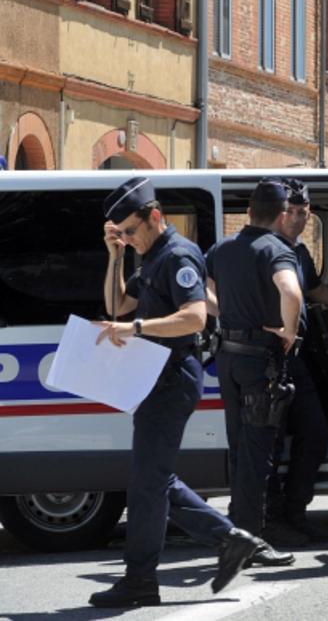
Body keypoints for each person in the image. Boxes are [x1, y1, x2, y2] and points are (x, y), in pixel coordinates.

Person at [89, 177, 260, 608]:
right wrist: (116, 257)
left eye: (131, 230)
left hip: (172, 377)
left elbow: (195, 317)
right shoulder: (148, 256)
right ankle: (229, 539)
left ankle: (141, 580)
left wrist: (137, 328)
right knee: (154, 478)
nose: (128, 238)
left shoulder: (178, 254)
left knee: (147, 483)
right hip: (154, 376)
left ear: (156, 216)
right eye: (121, 233)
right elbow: (117, 304)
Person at [205, 178, 301, 570]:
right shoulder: (276, 249)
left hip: (227, 357)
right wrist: (290, 332)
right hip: (260, 361)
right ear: (281, 215)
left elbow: (203, 294)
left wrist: (226, 312)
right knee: (257, 453)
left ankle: (237, 534)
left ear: (248, 211)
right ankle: (248, 540)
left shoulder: (222, 247)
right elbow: (291, 293)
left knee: (239, 447)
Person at [263, 179, 328, 546]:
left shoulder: (298, 253)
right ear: (279, 213)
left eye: (303, 213)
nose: (297, 219)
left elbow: (313, 289)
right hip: (266, 358)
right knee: (270, 442)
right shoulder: (264, 248)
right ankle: (270, 518)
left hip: (295, 358)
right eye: (292, 212)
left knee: (314, 432)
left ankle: (296, 512)